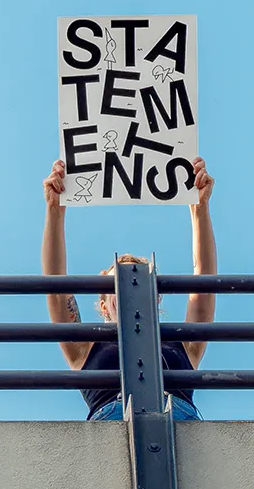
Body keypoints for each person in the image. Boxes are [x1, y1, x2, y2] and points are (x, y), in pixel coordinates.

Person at [41, 157, 217, 421]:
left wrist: (199, 208)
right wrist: (55, 209)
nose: (130, 290)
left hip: (181, 423)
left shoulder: (183, 344)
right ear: (102, 305)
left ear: (156, 298)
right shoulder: (86, 348)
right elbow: (56, 285)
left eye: (143, 283)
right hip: (110, 428)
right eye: (116, 286)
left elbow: (203, 280)